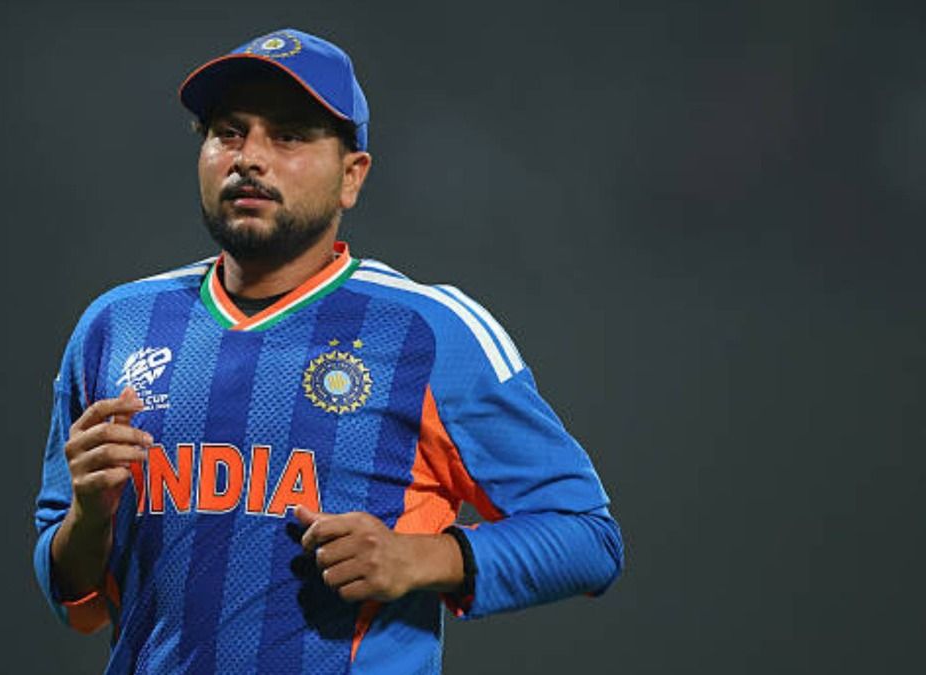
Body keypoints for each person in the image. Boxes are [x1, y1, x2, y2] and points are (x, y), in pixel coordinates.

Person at [33, 28, 623, 674]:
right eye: (229, 132)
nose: (248, 158)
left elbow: (588, 535)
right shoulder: (116, 326)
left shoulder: (430, 333)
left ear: (351, 176)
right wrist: (89, 518)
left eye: (287, 135)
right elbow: (79, 604)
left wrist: (424, 558)